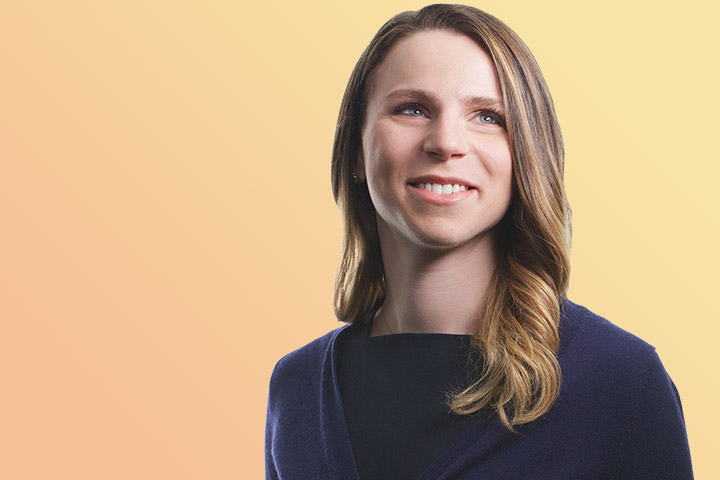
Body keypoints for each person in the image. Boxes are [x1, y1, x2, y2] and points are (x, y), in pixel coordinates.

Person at [265, 4, 693, 479]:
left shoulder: (620, 383)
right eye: (411, 109)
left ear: (527, 156)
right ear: (355, 152)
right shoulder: (296, 387)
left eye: (488, 117)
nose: (446, 142)